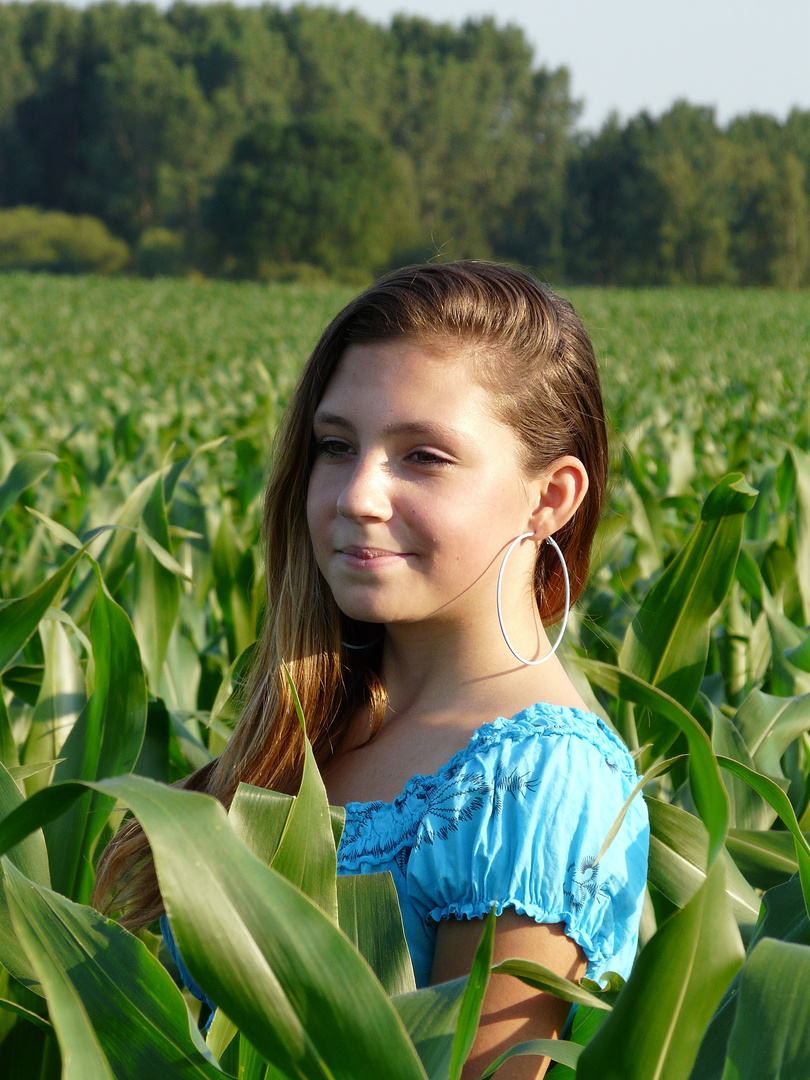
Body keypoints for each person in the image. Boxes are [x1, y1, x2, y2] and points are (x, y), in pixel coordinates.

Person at [94, 261, 649, 1079]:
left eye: (422, 456)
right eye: (335, 446)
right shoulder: (317, 715)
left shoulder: (539, 782)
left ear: (551, 498)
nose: (357, 493)